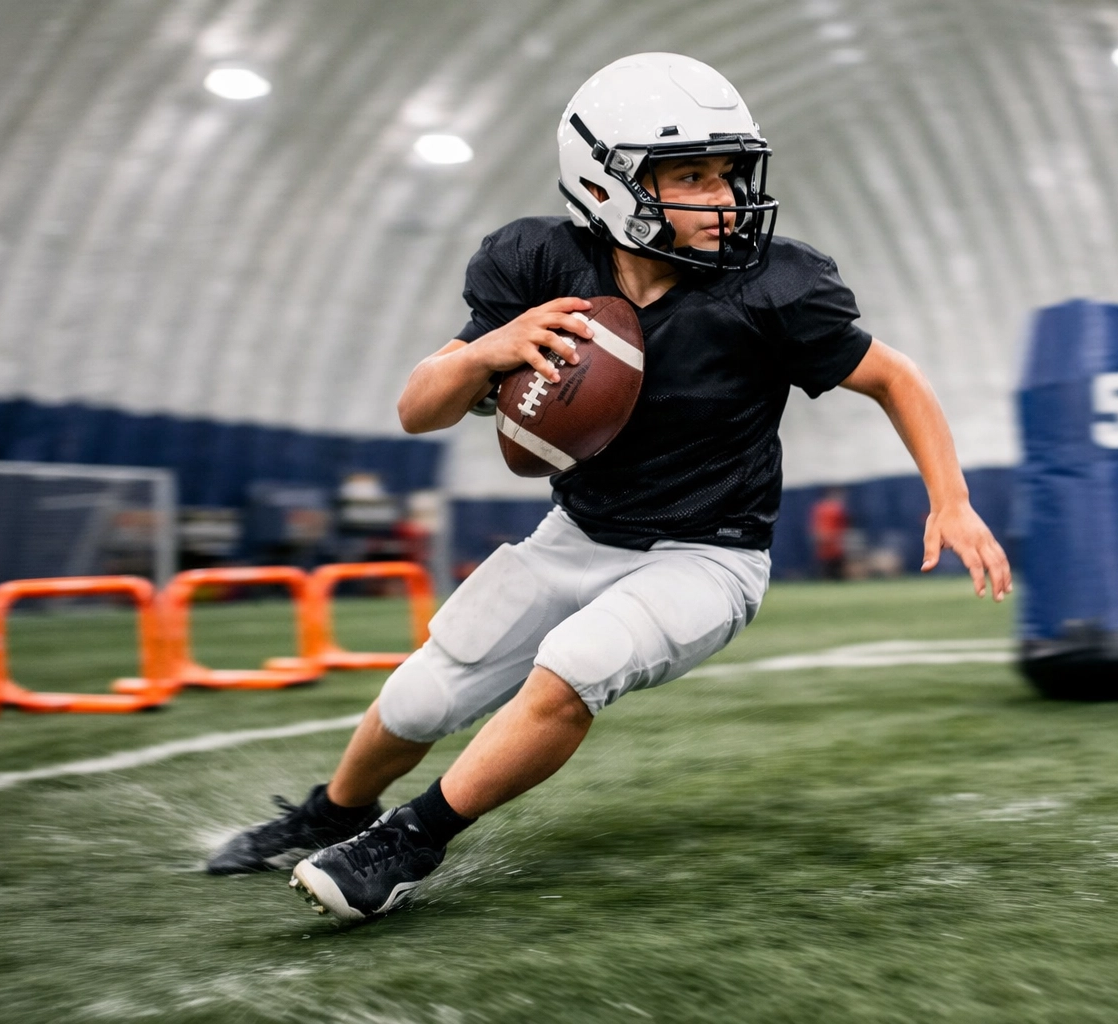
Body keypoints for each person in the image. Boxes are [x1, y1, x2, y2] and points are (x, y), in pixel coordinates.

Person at [206, 52, 1011, 922]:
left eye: (728, 174)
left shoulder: (776, 286)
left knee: (576, 667)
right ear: (607, 183)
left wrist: (952, 499)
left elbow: (896, 377)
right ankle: (330, 811)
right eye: (691, 176)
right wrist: (486, 351)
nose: (726, 197)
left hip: (709, 555)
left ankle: (407, 841)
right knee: (421, 693)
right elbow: (416, 410)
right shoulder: (538, 265)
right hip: (579, 535)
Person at [810, 488, 850, 580]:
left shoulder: (819, 508)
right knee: (832, 570)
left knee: (830, 570)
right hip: (831, 544)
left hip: (830, 544)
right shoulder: (836, 509)